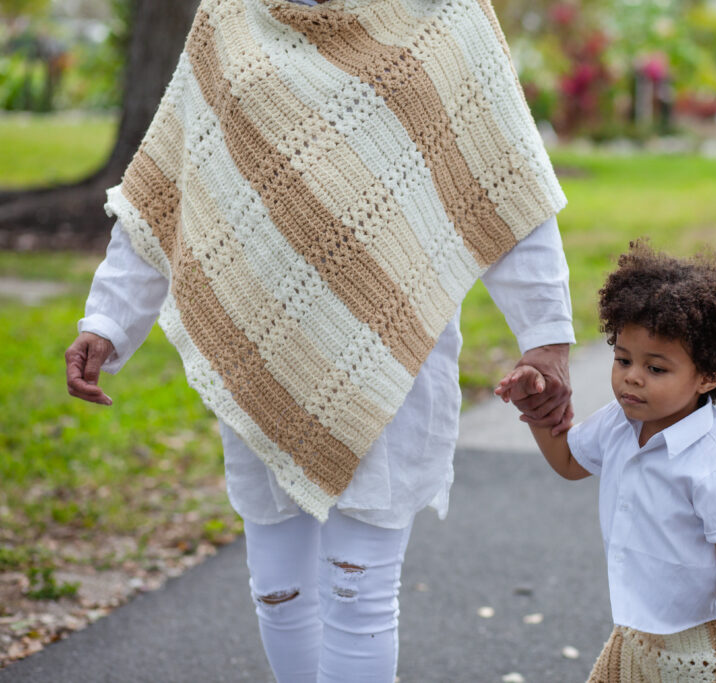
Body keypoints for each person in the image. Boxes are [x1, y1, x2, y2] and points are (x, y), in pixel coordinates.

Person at [65, 0, 573, 680]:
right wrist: (107, 319)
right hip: (258, 344)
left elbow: (505, 178)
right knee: (278, 589)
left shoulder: (446, 15)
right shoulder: (229, 17)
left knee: (359, 592)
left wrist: (547, 335)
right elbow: (165, 182)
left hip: (390, 351)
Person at [497, 241, 716, 683]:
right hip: (634, 635)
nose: (631, 377)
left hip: (698, 644)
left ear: (710, 375)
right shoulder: (620, 422)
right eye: (623, 359)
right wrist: (537, 405)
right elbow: (567, 461)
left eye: (656, 368)